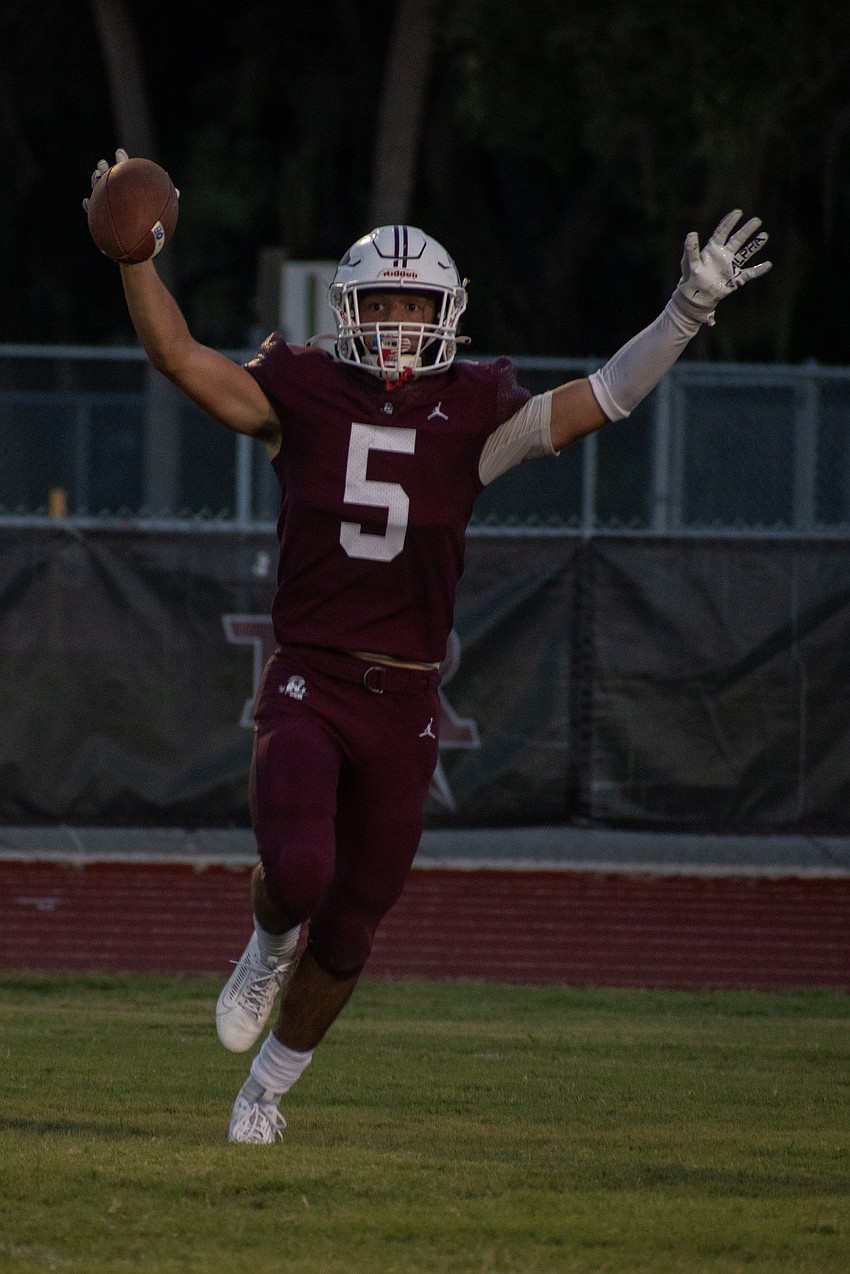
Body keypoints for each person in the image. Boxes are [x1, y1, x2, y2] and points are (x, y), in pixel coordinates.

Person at [86, 151, 771, 1144]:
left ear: (443, 312)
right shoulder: (303, 388)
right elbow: (180, 357)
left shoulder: (477, 410)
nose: (401, 324)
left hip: (405, 700)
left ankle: (266, 1090)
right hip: (310, 677)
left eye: (416, 306)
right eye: (385, 304)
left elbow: (603, 397)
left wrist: (685, 312)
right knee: (300, 866)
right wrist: (133, 256)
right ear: (348, 308)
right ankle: (266, 940)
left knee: (359, 916)